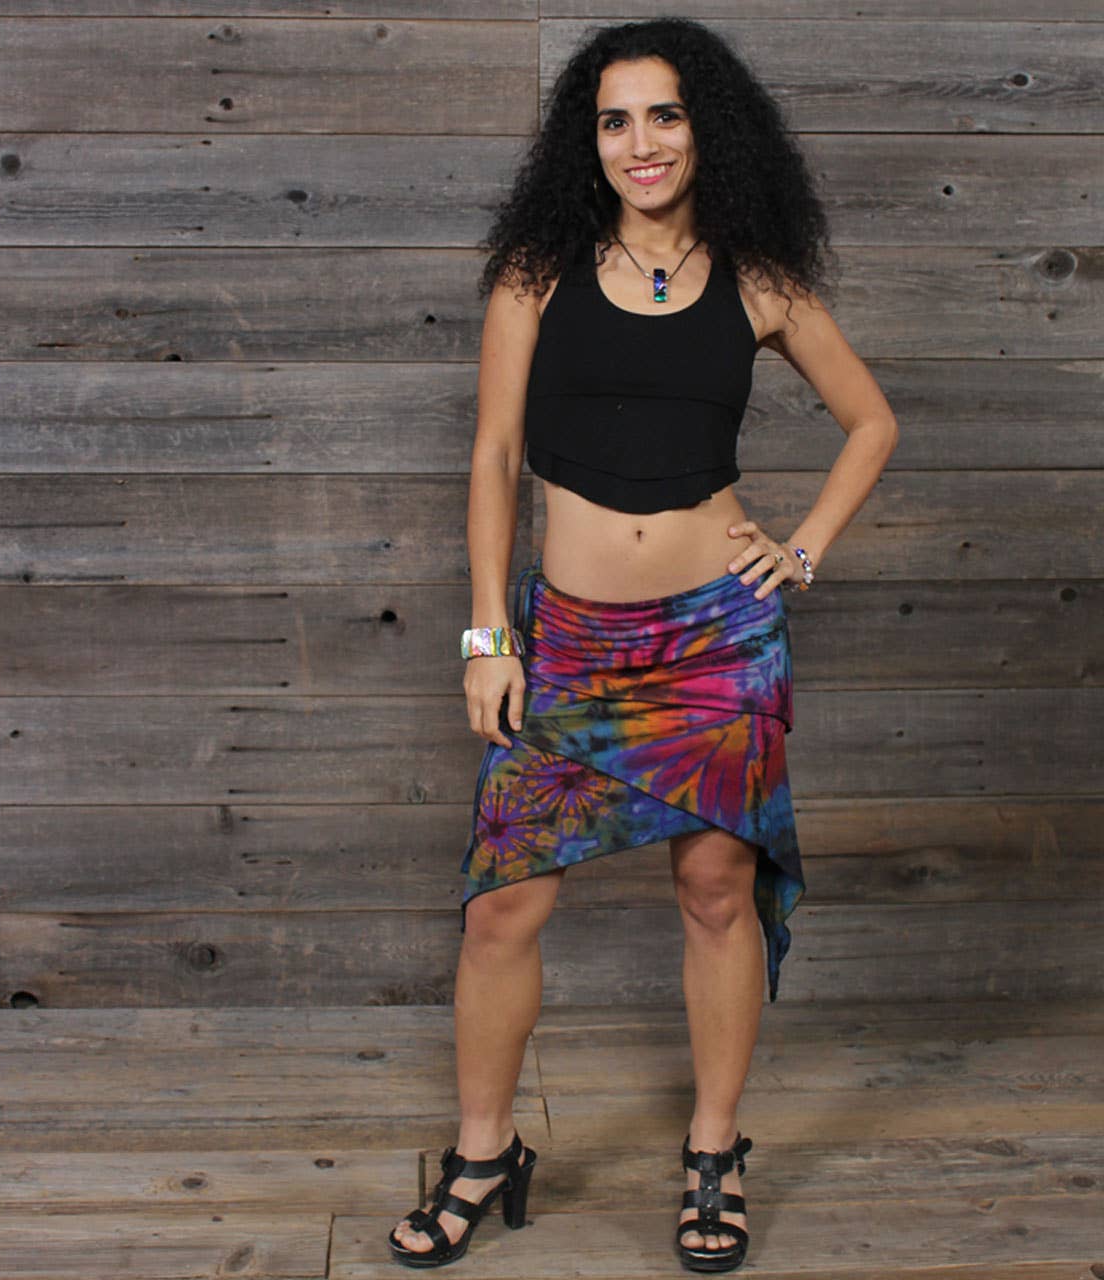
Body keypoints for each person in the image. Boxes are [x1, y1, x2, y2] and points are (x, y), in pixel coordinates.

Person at [388, 16, 897, 1275]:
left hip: (716, 638)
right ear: (589, 142)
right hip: (565, 641)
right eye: (613, 120)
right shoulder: (534, 272)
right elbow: (493, 456)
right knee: (503, 903)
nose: (639, 142)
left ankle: (713, 1150)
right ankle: (483, 1151)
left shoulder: (758, 279)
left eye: (662, 114)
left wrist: (800, 550)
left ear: (703, 127)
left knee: (715, 891)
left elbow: (871, 421)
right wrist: (486, 633)